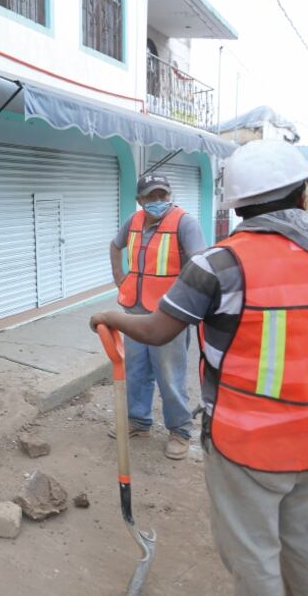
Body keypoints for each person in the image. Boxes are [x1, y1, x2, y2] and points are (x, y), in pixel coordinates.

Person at [91, 139, 308, 595]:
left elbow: (160, 330)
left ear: (237, 207)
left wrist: (111, 317)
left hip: (244, 445)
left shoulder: (219, 264)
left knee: (255, 559)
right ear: (304, 196)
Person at [108, 172, 206, 459]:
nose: (158, 200)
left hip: (168, 316)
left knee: (169, 374)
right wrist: (120, 278)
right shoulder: (134, 221)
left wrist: (186, 303)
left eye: (163, 195)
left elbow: (199, 263)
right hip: (136, 311)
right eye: (151, 196)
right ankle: (139, 422)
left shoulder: (184, 222)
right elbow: (115, 246)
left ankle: (180, 430)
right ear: (140, 200)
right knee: (136, 370)